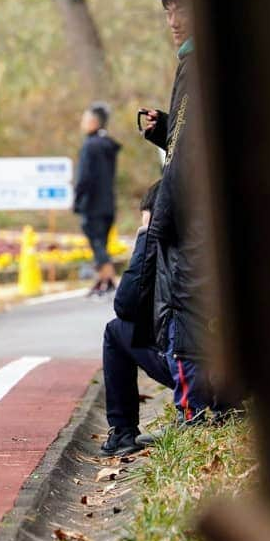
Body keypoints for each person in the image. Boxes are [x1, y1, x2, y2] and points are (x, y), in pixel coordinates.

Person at [135, 0, 217, 424]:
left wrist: (158, 226)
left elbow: (186, 160)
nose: (174, 20)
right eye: (168, 10)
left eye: (181, 8)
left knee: (188, 320)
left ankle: (199, 417)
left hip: (196, 228)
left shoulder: (197, 63)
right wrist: (167, 130)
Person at [99, 182, 174, 456]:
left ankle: (122, 432)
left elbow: (125, 304)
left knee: (116, 331)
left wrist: (146, 236)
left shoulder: (161, 238)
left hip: (195, 366)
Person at [74, 101, 121, 296]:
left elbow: (85, 177)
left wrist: (77, 199)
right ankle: (102, 280)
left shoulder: (90, 146)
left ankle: (109, 279)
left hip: (92, 204)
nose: (83, 123)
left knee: (98, 244)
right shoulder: (108, 145)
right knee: (102, 242)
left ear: (94, 122)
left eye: (85, 119)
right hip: (108, 204)